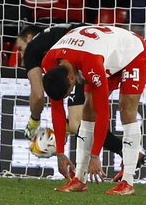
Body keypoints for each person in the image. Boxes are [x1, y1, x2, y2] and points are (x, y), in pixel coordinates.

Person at [41, 23, 146, 195]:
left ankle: (128, 183)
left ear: (70, 78)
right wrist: (60, 153)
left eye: (69, 91)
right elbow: (57, 109)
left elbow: (104, 113)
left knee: (126, 109)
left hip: (131, 52)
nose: (71, 93)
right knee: (88, 110)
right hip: (103, 53)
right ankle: (80, 179)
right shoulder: (48, 63)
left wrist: (95, 155)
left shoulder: (90, 64)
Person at [16, 21, 91, 182]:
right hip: (94, 43)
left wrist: (33, 123)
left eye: (20, 48)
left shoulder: (32, 49)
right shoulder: (51, 38)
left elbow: (38, 95)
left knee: (77, 123)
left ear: (29, 38)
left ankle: (122, 153)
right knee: (87, 114)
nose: (21, 56)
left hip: (81, 53)